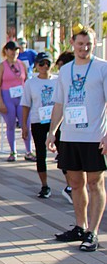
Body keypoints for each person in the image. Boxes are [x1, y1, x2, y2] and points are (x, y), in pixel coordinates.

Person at [48, 26, 107, 252]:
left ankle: (93, 232)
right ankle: (80, 226)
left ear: (94, 44)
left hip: (94, 136)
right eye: (80, 44)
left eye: (88, 44)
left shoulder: (102, 68)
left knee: (95, 183)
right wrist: (53, 131)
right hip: (70, 136)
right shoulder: (65, 71)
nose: (84, 48)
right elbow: (59, 104)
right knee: (75, 183)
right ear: (72, 43)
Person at [21, 52, 57, 198]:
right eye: (41, 63)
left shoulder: (58, 80)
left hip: (56, 122)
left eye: (48, 63)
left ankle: (69, 185)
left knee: (65, 153)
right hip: (38, 121)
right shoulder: (31, 83)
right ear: (36, 65)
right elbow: (26, 105)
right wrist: (24, 125)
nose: (45, 66)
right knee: (40, 154)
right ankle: (44, 185)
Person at [0, 41, 32, 161]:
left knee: (25, 124)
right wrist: (0, 101)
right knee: (10, 125)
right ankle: (13, 151)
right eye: (11, 49)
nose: (13, 52)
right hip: (7, 96)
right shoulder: (2, 66)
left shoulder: (22, 64)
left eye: (16, 49)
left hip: (21, 97)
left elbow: (26, 81)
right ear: (6, 51)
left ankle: (29, 150)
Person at [54, 51, 75, 202]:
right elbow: (58, 103)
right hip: (64, 127)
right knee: (66, 160)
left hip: (85, 129)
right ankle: (70, 187)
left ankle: (74, 187)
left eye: (63, 66)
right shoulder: (60, 79)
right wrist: (52, 131)